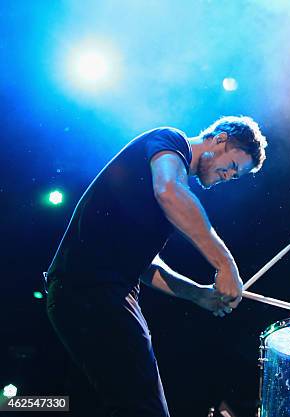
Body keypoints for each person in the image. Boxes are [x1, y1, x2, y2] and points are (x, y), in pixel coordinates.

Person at [45, 116, 268, 417]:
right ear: (220, 140)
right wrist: (225, 264)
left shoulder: (168, 195)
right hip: (91, 288)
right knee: (144, 408)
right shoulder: (170, 141)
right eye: (231, 167)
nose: (228, 176)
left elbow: (144, 265)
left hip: (104, 292)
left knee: (126, 405)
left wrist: (197, 294)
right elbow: (169, 192)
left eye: (235, 176)